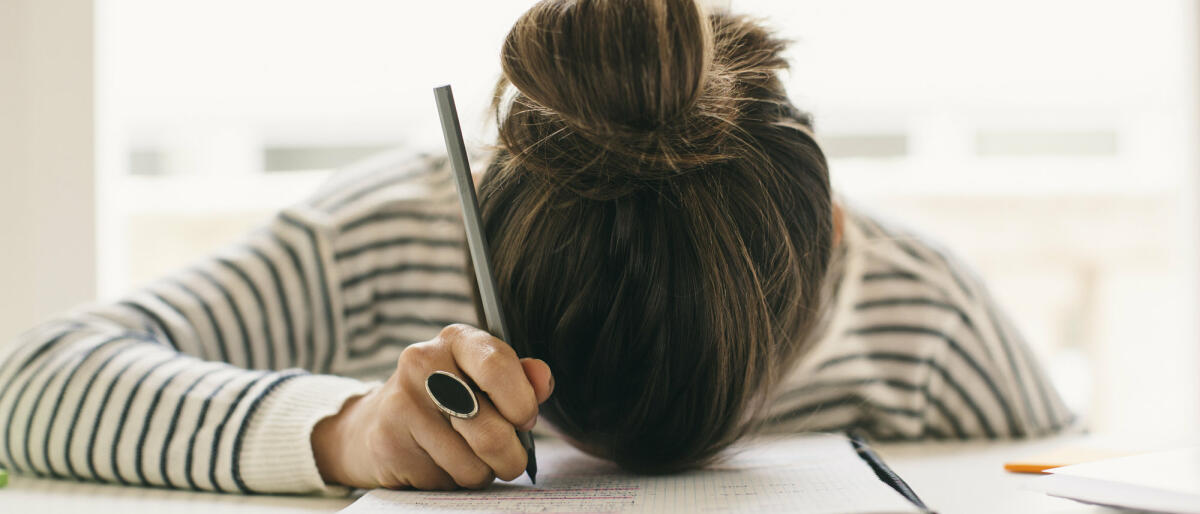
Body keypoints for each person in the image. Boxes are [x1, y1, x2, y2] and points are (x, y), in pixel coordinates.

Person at [0, 0, 1072, 494]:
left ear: (831, 252)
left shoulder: (919, 313)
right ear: (475, 241)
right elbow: (35, 381)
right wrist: (343, 433)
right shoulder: (381, 234)